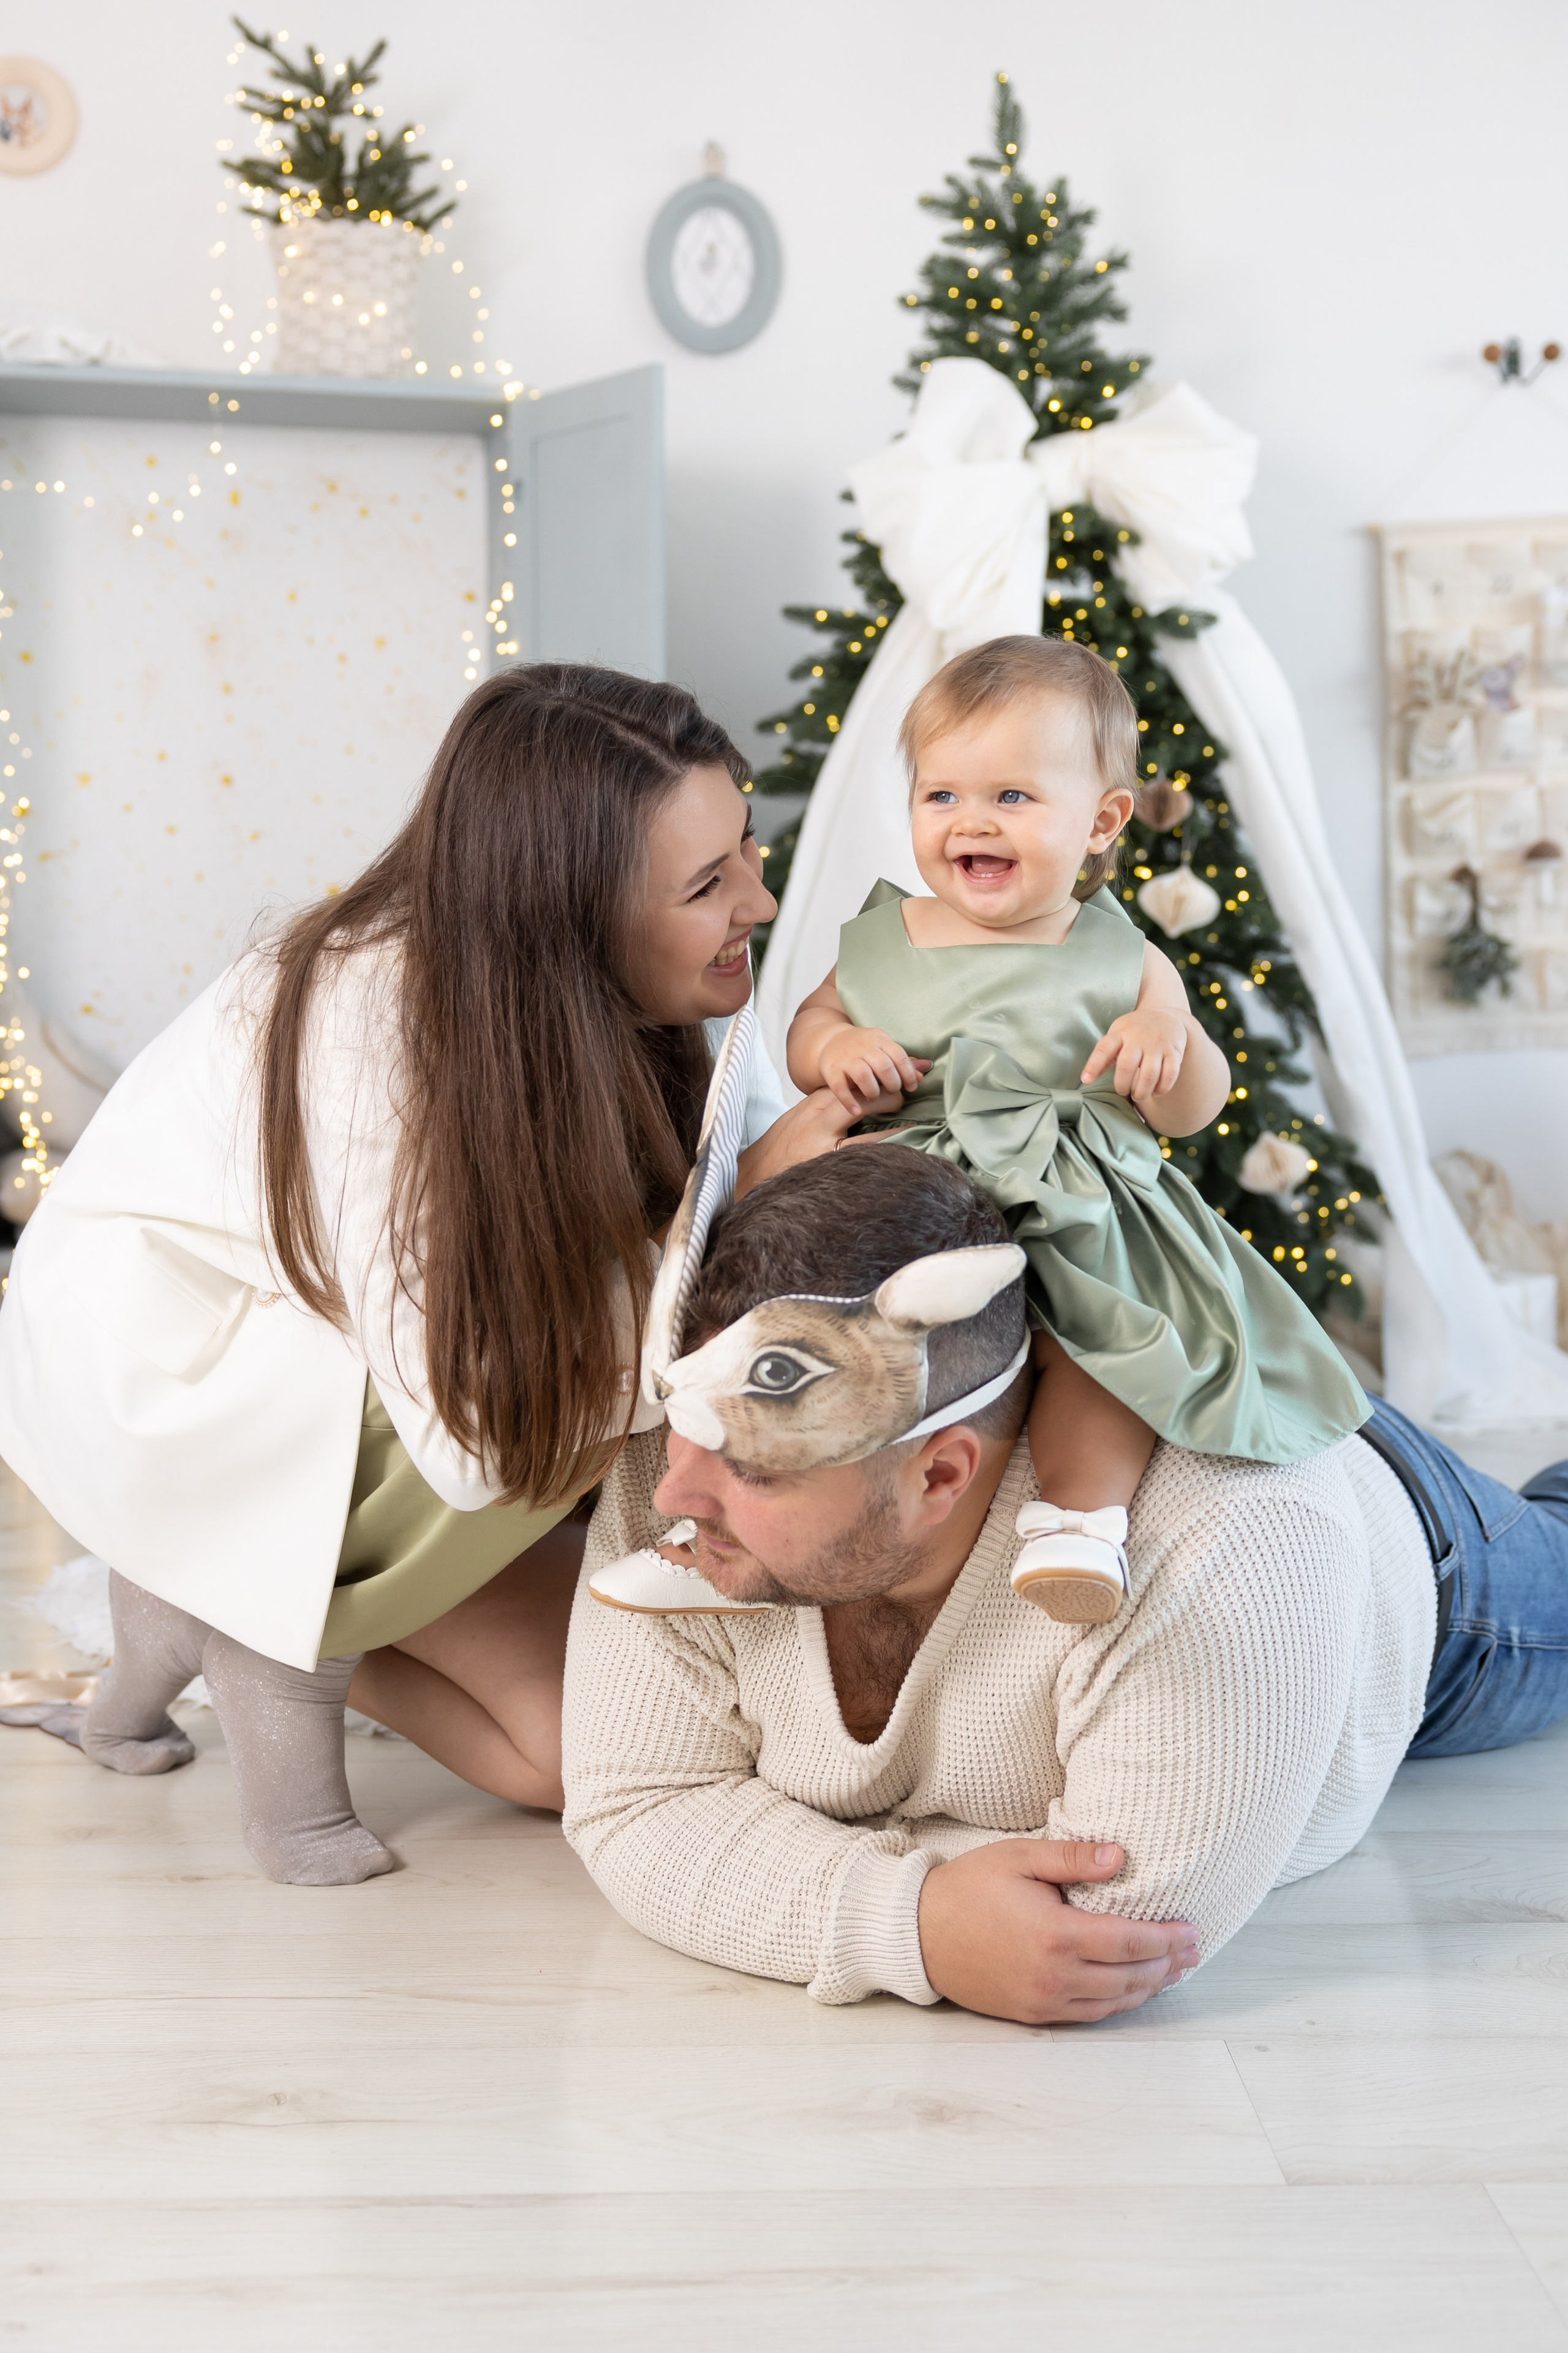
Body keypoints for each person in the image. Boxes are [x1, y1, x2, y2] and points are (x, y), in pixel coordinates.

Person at [0, 666, 867, 1883]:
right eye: (707, 883)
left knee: (594, 1746)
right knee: (591, 1719)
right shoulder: (376, 1043)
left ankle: (242, 1605)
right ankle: (265, 1616)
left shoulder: (619, 976)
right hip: (195, 1374)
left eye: (747, 852)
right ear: (564, 910)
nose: (759, 901)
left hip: (386, 1373)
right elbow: (469, 1440)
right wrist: (734, 1222)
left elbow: (748, 1147)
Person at [561, 1143, 1568, 2026]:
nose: (675, 1491)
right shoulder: (684, 1469)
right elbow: (633, 1805)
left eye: (754, 1467)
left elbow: (1110, 1930)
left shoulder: (1229, 1548)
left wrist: (786, 1859)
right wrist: (913, 1919)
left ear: (940, 1475)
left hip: (1422, 1566)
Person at [782, 634, 1368, 1624]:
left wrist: (1165, 1040)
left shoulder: (1122, 953)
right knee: (822, 1324)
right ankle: (775, 1503)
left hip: (1078, 1196)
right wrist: (837, 1050)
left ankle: (1076, 1523)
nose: (974, 820)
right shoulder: (883, 937)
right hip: (921, 1189)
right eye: (943, 796)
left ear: (1101, 823)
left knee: (1105, 1343)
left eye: (1013, 797)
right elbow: (809, 1031)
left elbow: (1194, 1108)